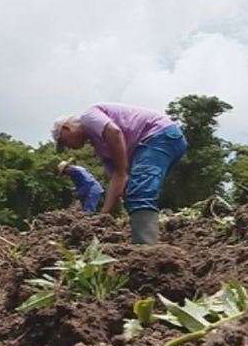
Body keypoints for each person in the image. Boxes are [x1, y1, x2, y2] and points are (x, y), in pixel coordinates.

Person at [52, 102, 187, 245]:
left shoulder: (88, 117)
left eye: (64, 141)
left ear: (66, 129)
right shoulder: (101, 148)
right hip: (156, 144)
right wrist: (103, 217)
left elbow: (114, 132)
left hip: (159, 135)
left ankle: (146, 249)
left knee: (139, 191)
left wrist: (122, 171)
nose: (68, 147)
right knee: (131, 193)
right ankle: (145, 243)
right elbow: (117, 181)